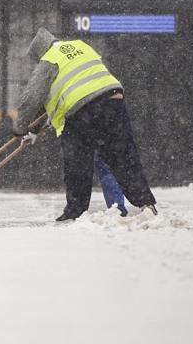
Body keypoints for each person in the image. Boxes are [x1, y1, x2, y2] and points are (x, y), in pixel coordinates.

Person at [12, 27, 157, 221]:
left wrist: (20, 128)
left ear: (40, 53)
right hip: (113, 99)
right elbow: (51, 101)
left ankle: (75, 211)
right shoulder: (80, 46)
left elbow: (32, 99)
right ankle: (146, 203)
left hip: (82, 111)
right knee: (123, 156)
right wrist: (34, 130)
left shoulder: (49, 60)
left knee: (77, 163)